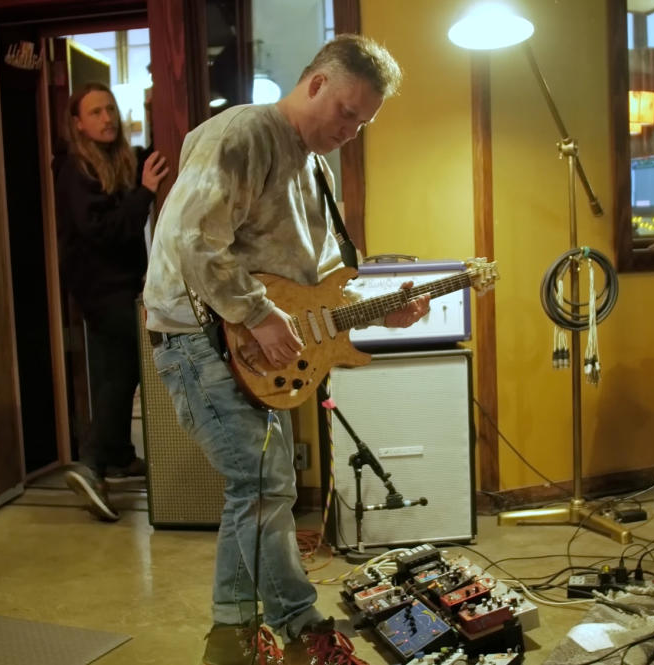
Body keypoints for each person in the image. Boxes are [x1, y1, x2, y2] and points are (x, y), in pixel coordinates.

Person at [143, 35, 427, 665]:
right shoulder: (244, 134)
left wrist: (384, 313)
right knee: (263, 482)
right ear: (317, 83)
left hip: (252, 348)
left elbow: (316, 293)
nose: (352, 131)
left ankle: (241, 636)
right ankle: (281, 629)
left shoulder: (318, 168)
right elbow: (191, 238)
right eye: (347, 113)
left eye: (365, 123)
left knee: (265, 486)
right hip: (202, 339)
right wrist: (256, 313)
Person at [56, 82, 169, 522]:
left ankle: (117, 456)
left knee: (115, 372)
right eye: (96, 112)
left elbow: (159, 153)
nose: (106, 119)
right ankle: (92, 462)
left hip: (126, 285)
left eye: (111, 110)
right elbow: (103, 232)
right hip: (102, 290)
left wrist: (156, 107)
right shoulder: (74, 169)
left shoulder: (121, 158)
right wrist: (143, 195)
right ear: (78, 123)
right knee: (125, 369)